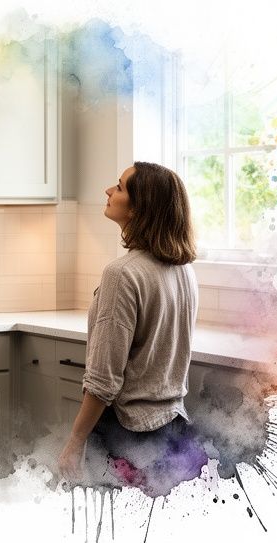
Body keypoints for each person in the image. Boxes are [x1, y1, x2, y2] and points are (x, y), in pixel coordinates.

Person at [57, 161, 205, 496]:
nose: (109, 191)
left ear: (139, 209)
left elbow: (103, 380)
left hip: (126, 435)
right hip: (174, 429)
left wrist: (75, 442)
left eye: (120, 187)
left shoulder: (122, 274)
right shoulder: (183, 271)